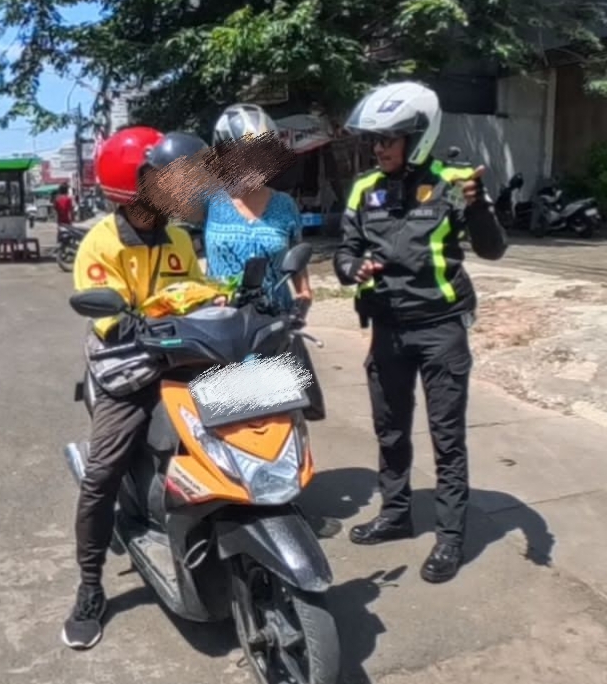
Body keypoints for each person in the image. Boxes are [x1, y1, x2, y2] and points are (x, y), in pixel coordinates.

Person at [334, 81, 507, 584]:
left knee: (446, 437)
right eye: (375, 140)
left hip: (440, 330)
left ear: (418, 137)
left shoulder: (456, 182)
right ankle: (395, 513)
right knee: (390, 429)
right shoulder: (365, 188)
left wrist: (478, 207)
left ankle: (450, 537)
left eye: (388, 139)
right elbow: (345, 253)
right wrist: (352, 269)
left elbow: (493, 249)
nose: (378, 148)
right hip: (387, 330)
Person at [64, 126, 214, 651]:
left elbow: (195, 291)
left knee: (240, 418)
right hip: (124, 368)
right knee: (102, 473)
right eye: (168, 179)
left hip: (179, 357)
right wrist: (139, 320)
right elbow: (106, 313)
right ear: (135, 187)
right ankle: (89, 585)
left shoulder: (178, 238)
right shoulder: (101, 242)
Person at [203, 103, 324, 421]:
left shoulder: (285, 206)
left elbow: (300, 274)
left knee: (285, 426)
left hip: (273, 332)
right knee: (228, 428)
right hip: (222, 334)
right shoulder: (208, 204)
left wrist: (301, 304)